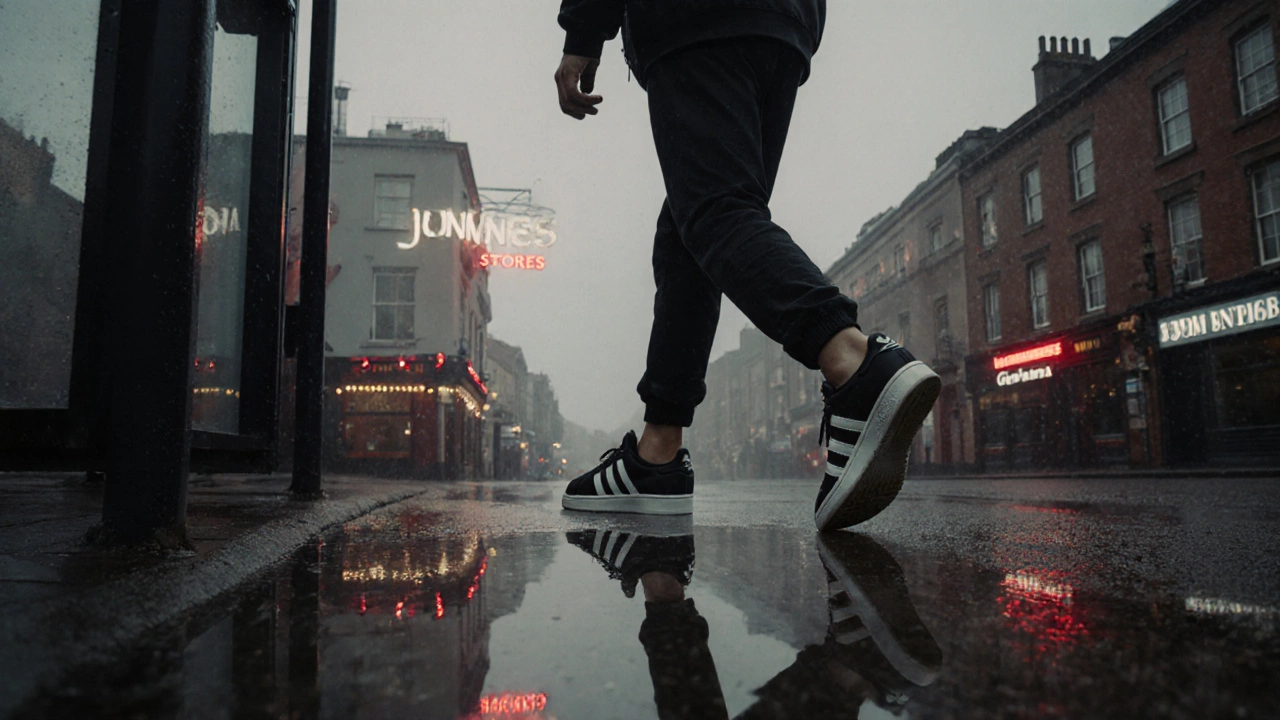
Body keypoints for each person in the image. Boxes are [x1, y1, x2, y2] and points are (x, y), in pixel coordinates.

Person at [553, 0, 940, 530]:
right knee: (691, 233)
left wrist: (583, 33)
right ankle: (658, 453)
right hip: (783, 25)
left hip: (699, 22)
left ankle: (854, 362)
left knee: (715, 211)